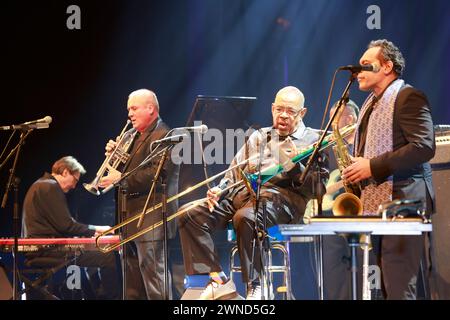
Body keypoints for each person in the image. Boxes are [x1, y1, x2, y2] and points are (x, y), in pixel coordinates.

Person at [178, 86, 327, 300]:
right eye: (279, 109)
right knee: (189, 214)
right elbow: (235, 172)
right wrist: (220, 190)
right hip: (243, 194)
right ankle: (218, 280)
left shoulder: (314, 140)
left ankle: (255, 284)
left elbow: (318, 189)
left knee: (245, 217)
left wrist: (294, 167)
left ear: (302, 113)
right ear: (272, 108)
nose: (283, 115)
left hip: (282, 200)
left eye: (291, 111)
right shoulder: (259, 136)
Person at [342, 39, 435, 299]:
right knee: (387, 286)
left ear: (386, 67)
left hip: (405, 200)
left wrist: (371, 166)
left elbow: (424, 147)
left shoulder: (408, 97)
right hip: (379, 202)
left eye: (365, 65)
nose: (357, 71)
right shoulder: (371, 105)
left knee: (399, 284)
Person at [99, 89, 179, 300]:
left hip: (150, 218)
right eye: (129, 110)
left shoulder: (166, 135)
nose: (130, 115)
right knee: (132, 285)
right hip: (129, 218)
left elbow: (156, 174)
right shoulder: (131, 136)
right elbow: (126, 170)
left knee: (155, 282)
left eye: (134, 109)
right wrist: (114, 157)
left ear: (150, 108)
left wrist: (121, 178)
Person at [22, 156, 120, 299]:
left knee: (92, 253)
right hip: (45, 250)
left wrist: (85, 233)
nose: (74, 186)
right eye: (75, 180)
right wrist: (97, 229)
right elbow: (66, 225)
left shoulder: (41, 184)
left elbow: (59, 225)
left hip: (40, 247)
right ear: (66, 172)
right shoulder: (50, 186)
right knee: (107, 255)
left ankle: (97, 295)